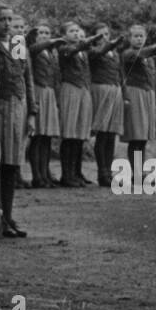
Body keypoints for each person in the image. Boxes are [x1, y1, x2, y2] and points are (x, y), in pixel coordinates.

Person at [0, 5, 35, 237]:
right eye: (2, 19)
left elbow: (25, 78)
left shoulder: (18, 44)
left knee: (12, 164)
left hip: (17, 106)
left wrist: (32, 112)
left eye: (10, 19)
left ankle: (8, 216)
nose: (7, 24)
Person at [120, 25, 156, 191]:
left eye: (141, 36)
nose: (139, 39)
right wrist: (154, 48)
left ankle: (141, 172)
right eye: (136, 36)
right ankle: (135, 173)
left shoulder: (150, 59)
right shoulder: (128, 54)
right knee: (135, 136)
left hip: (148, 95)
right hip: (135, 93)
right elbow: (139, 54)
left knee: (144, 137)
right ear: (130, 38)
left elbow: (154, 80)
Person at [88, 23, 128, 187]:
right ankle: (101, 172)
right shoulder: (93, 51)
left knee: (112, 133)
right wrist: (112, 43)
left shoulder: (115, 53)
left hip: (115, 90)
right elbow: (99, 52)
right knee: (102, 133)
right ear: (95, 39)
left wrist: (124, 95)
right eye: (100, 35)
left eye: (106, 34)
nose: (105, 37)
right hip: (101, 90)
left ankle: (109, 172)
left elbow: (121, 75)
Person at [28, 21, 65, 188]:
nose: (44, 36)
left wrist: (56, 99)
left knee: (47, 137)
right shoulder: (33, 50)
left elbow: (56, 76)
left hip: (49, 93)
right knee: (37, 136)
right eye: (41, 33)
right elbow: (33, 49)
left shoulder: (52, 53)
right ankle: (37, 176)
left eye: (47, 33)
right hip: (38, 90)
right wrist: (48, 43)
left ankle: (45, 173)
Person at [56, 23, 92, 188]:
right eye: (72, 31)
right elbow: (71, 51)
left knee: (79, 134)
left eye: (77, 31)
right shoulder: (64, 48)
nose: (76, 34)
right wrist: (81, 45)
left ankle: (76, 172)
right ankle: (66, 174)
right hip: (70, 88)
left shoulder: (83, 52)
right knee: (69, 134)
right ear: (64, 35)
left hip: (83, 89)